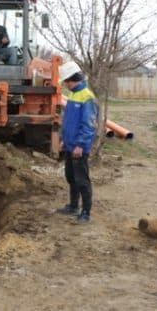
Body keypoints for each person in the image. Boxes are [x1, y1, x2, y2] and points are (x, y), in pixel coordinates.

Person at [56, 61, 98, 224]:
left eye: (66, 82)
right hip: (70, 145)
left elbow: (89, 125)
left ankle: (86, 211)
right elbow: (68, 120)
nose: (65, 85)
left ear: (72, 79)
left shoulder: (87, 97)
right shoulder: (73, 94)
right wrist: (63, 140)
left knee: (82, 179)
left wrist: (80, 145)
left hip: (79, 147)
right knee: (70, 176)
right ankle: (73, 206)